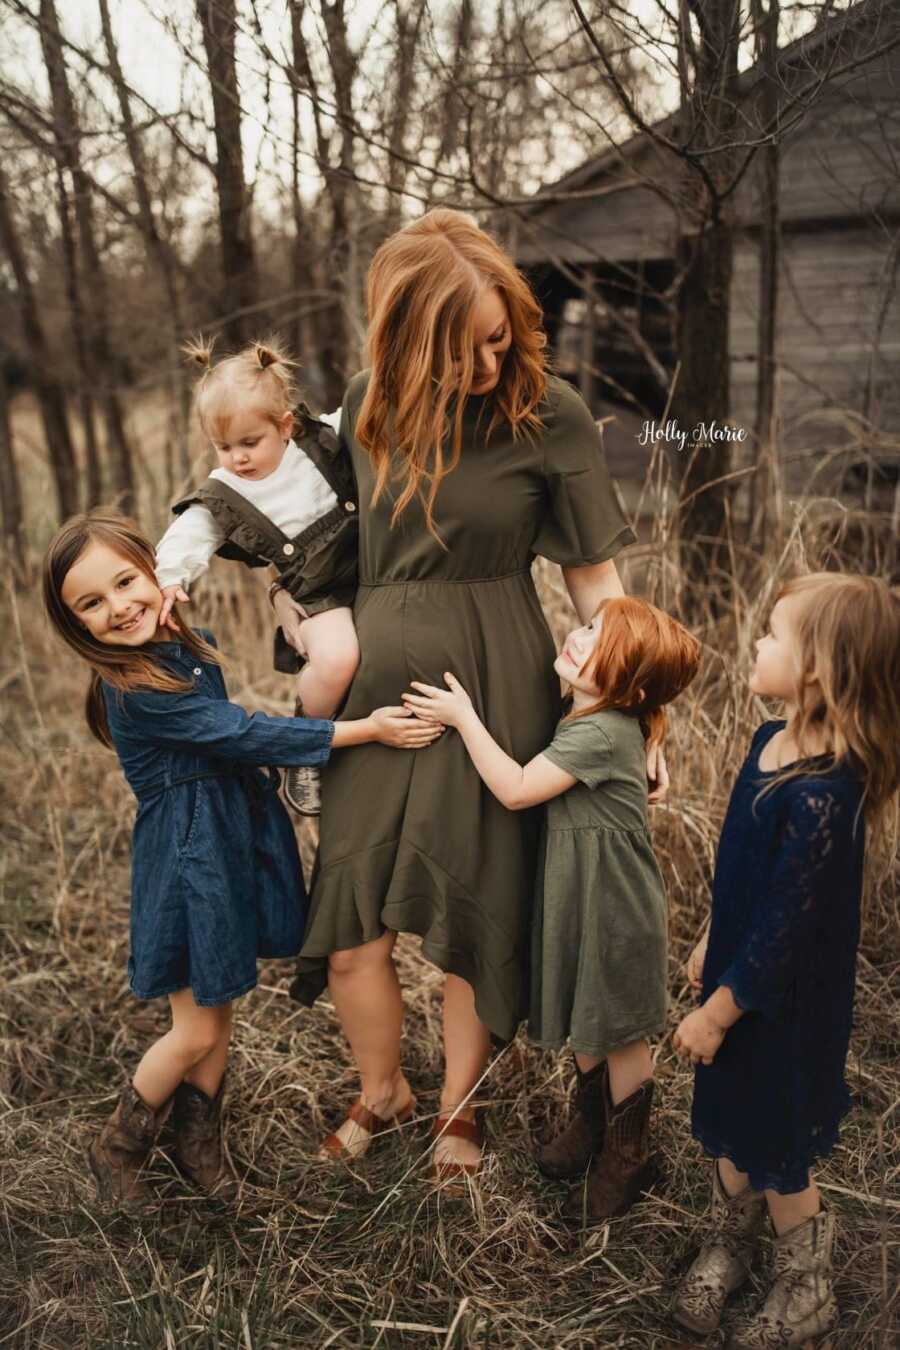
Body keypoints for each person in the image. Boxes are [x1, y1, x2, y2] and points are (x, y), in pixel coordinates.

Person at [274, 208, 667, 1178]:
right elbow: (309, 551)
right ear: (404, 338)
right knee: (354, 923)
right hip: (375, 706)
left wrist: (640, 716)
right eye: (463, 348)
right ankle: (382, 1090)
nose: (489, 362)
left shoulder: (549, 412)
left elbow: (597, 586)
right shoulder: (365, 406)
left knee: (470, 918)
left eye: (499, 336)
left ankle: (459, 1111)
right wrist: (300, 628)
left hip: (496, 695)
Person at [43, 512, 441, 1208]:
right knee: (194, 1027)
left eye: (126, 581)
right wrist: (364, 729)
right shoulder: (136, 691)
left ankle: (201, 1152)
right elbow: (243, 732)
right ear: (76, 624)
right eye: (92, 604)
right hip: (189, 857)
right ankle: (118, 1149)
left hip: (224, 843)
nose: (119, 607)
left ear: (155, 569)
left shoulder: (184, 649)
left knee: (219, 1010)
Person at [404, 596, 699, 1207]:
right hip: (582, 891)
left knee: (620, 1032)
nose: (579, 637)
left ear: (628, 682)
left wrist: (464, 717)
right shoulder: (591, 713)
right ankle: (592, 1125)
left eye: (600, 642)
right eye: (588, 624)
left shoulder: (598, 731)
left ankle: (629, 1153)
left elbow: (514, 790)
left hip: (614, 902)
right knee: (589, 1016)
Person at [671, 573, 900, 1347]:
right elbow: (741, 877)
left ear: (816, 668)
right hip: (739, 976)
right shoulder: (768, 742)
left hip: (787, 1006)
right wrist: (710, 935)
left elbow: (787, 931)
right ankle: (732, 1240)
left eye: (773, 634)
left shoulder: (828, 791)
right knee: (735, 1118)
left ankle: (808, 1286)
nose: (757, 643)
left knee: (780, 1145)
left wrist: (717, 1010)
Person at [155, 336, 358, 817]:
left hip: (375, 569)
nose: (237, 457)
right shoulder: (226, 490)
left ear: (286, 426)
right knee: (337, 659)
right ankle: (305, 741)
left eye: (250, 442)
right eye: (223, 446)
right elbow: (192, 529)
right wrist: (170, 575)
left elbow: (366, 412)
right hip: (320, 596)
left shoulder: (321, 440)